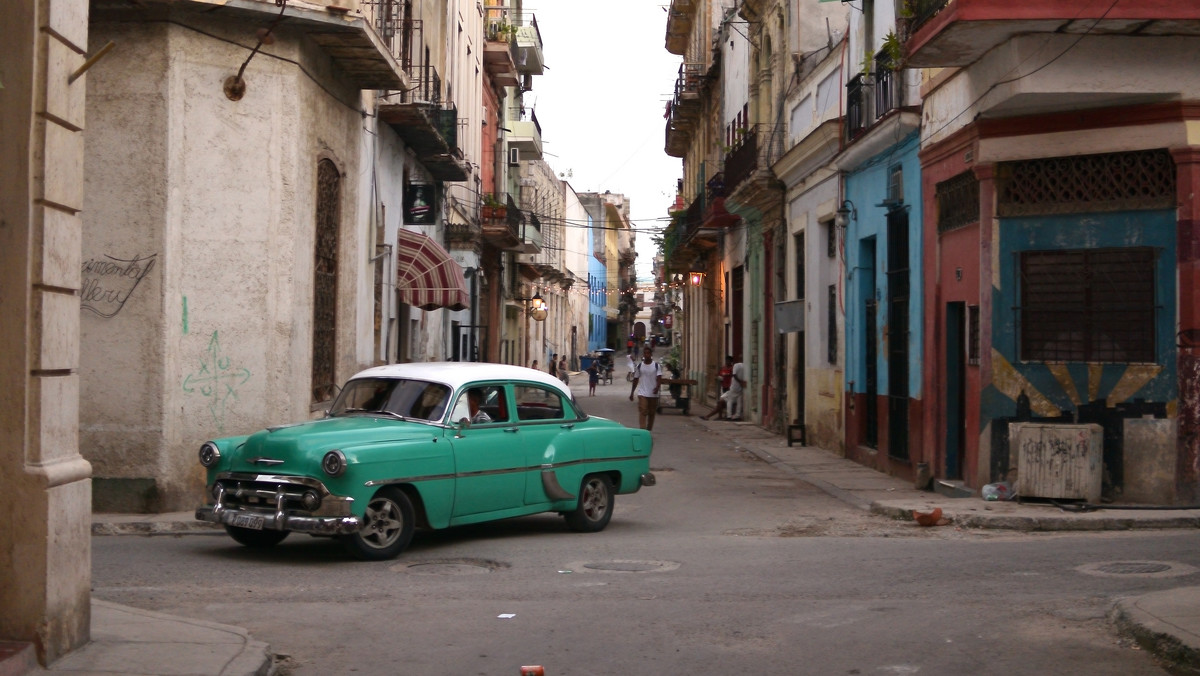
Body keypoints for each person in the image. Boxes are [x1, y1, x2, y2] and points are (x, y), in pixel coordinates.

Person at [628, 345, 663, 431]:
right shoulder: (640, 366)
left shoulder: (656, 366)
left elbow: (659, 379)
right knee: (643, 411)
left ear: (651, 354)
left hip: (653, 394)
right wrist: (632, 393)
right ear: (643, 354)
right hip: (642, 393)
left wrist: (657, 387)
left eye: (648, 353)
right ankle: (643, 430)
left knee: (651, 413)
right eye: (645, 353)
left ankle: (649, 430)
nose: (646, 355)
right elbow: (635, 380)